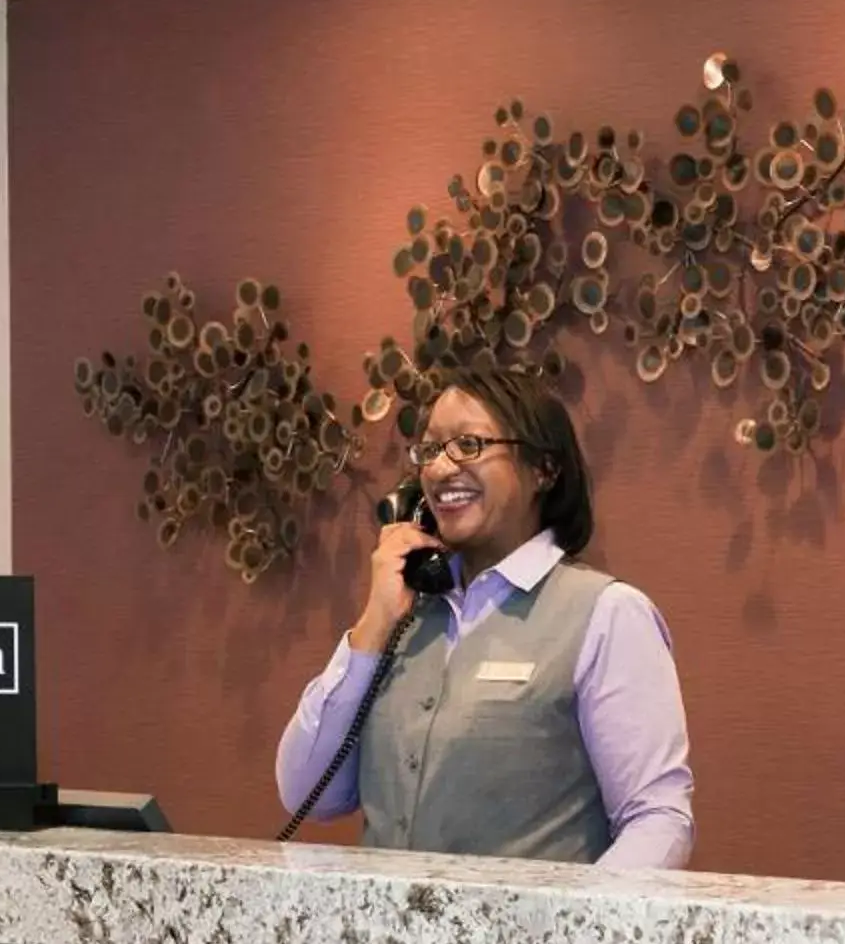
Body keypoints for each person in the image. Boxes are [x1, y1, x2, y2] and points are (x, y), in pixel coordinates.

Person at [275, 367, 694, 867]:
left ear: (544, 469)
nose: (440, 468)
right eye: (430, 450)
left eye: (469, 444)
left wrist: (575, 934)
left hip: (534, 942)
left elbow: (658, 819)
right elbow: (307, 795)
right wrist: (372, 625)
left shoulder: (608, 615)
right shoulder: (403, 618)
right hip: (380, 942)